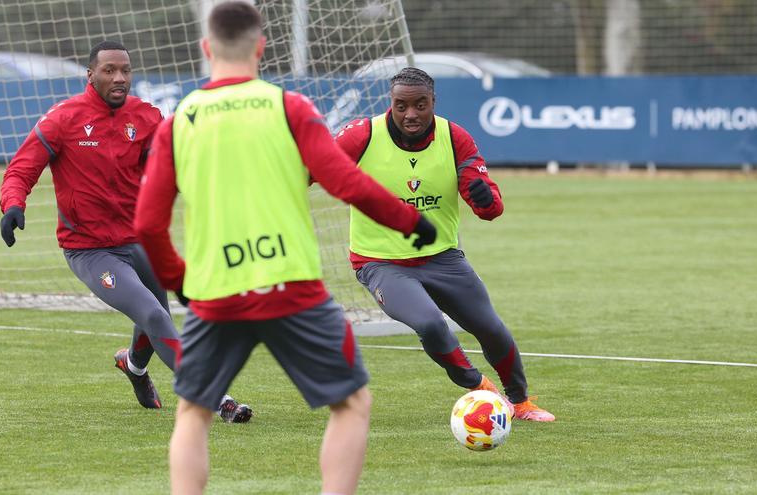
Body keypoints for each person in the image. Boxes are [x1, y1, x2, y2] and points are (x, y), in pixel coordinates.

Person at [133, 3, 437, 494]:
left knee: (193, 412)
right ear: (261, 48)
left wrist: (180, 280)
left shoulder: (178, 122)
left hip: (218, 293)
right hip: (293, 291)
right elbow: (346, 183)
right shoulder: (289, 108)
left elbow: (147, 224)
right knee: (352, 404)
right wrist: (409, 221)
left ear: (207, 49)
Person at [0, 40, 251, 422]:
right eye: (109, 70)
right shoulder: (62, 120)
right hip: (91, 250)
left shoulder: (147, 117)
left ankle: (132, 366)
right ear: (91, 75)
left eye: (125, 71)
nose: (119, 78)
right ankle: (216, 398)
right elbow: (21, 168)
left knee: (154, 319)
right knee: (153, 313)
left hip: (140, 241)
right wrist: (13, 204)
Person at [335, 67, 555, 422]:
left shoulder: (455, 138)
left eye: (420, 105)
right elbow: (309, 169)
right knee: (431, 324)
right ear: (390, 103)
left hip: (443, 258)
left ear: (433, 102)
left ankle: (521, 402)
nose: (410, 114)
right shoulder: (361, 136)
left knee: (491, 328)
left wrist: (486, 198)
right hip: (382, 263)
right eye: (401, 105)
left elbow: (490, 210)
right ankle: (479, 387)